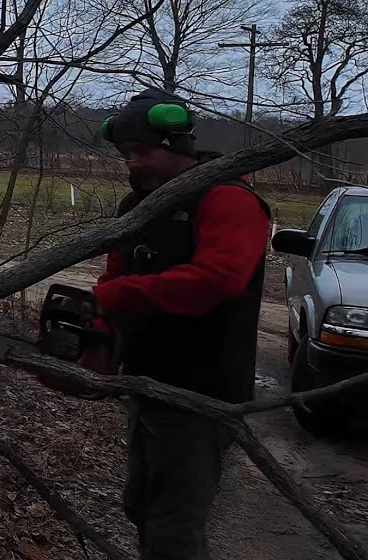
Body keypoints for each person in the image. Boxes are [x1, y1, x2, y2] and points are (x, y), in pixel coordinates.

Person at [91, 88, 271, 560]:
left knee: (176, 520)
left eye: (142, 151)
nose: (132, 163)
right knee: (142, 503)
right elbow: (114, 274)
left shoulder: (229, 199)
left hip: (202, 391)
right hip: (148, 380)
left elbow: (218, 279)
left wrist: (120, 296)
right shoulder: (137, 206)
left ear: (174, 146)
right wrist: (101, 328)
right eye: (126, 153)